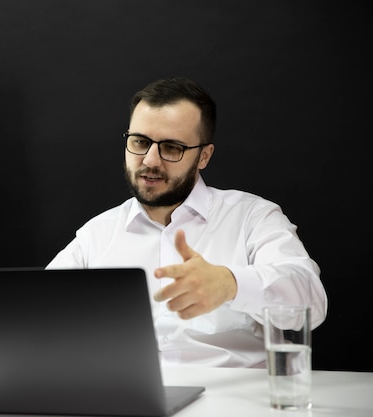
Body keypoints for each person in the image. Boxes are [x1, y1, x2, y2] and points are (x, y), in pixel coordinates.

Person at [46, 76, 328, 368]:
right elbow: (37, 310)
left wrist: (230, 284)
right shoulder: (97, 235)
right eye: (140, 142)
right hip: (129, 398)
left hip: (235, 402)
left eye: (171, 147)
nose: (150, 160)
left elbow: (312, 303)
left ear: (204, 156)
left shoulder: (252, 217)